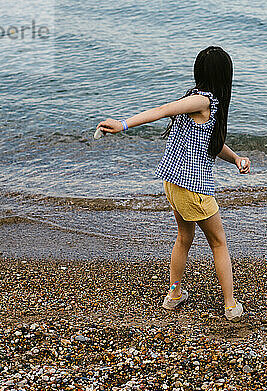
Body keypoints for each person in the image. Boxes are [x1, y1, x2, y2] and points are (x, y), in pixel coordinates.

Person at [95, 45, 250, 322]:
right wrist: (124, 124)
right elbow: (164, 110)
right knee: (218, 243)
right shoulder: (204, 101)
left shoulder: (196, 99)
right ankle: (230, 305)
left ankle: (174, 295)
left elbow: (211, 143)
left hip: (175, 184)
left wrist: (236, 158)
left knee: (184, 238)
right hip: (193, 189)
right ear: (225, 75)